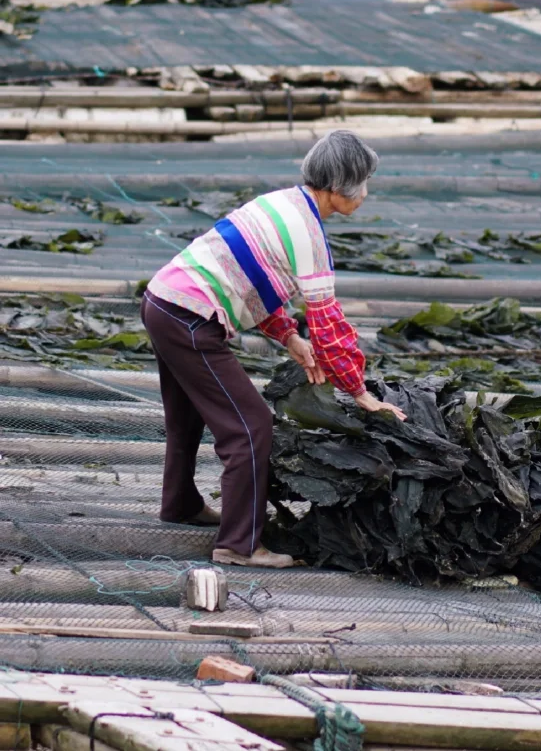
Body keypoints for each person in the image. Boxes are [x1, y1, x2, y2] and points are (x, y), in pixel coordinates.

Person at [141, 130, 405, 569]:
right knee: (251, 426)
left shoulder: (280, 203)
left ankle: (180, 504)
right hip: (189, 317)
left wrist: (289, 338)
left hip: (162, 301)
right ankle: (240, 545)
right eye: (363, 182)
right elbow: (330, 325)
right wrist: (360, 393)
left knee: (186, 415)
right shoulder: (310, 238)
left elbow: (254, 281)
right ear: (341, 184)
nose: (365, 193)